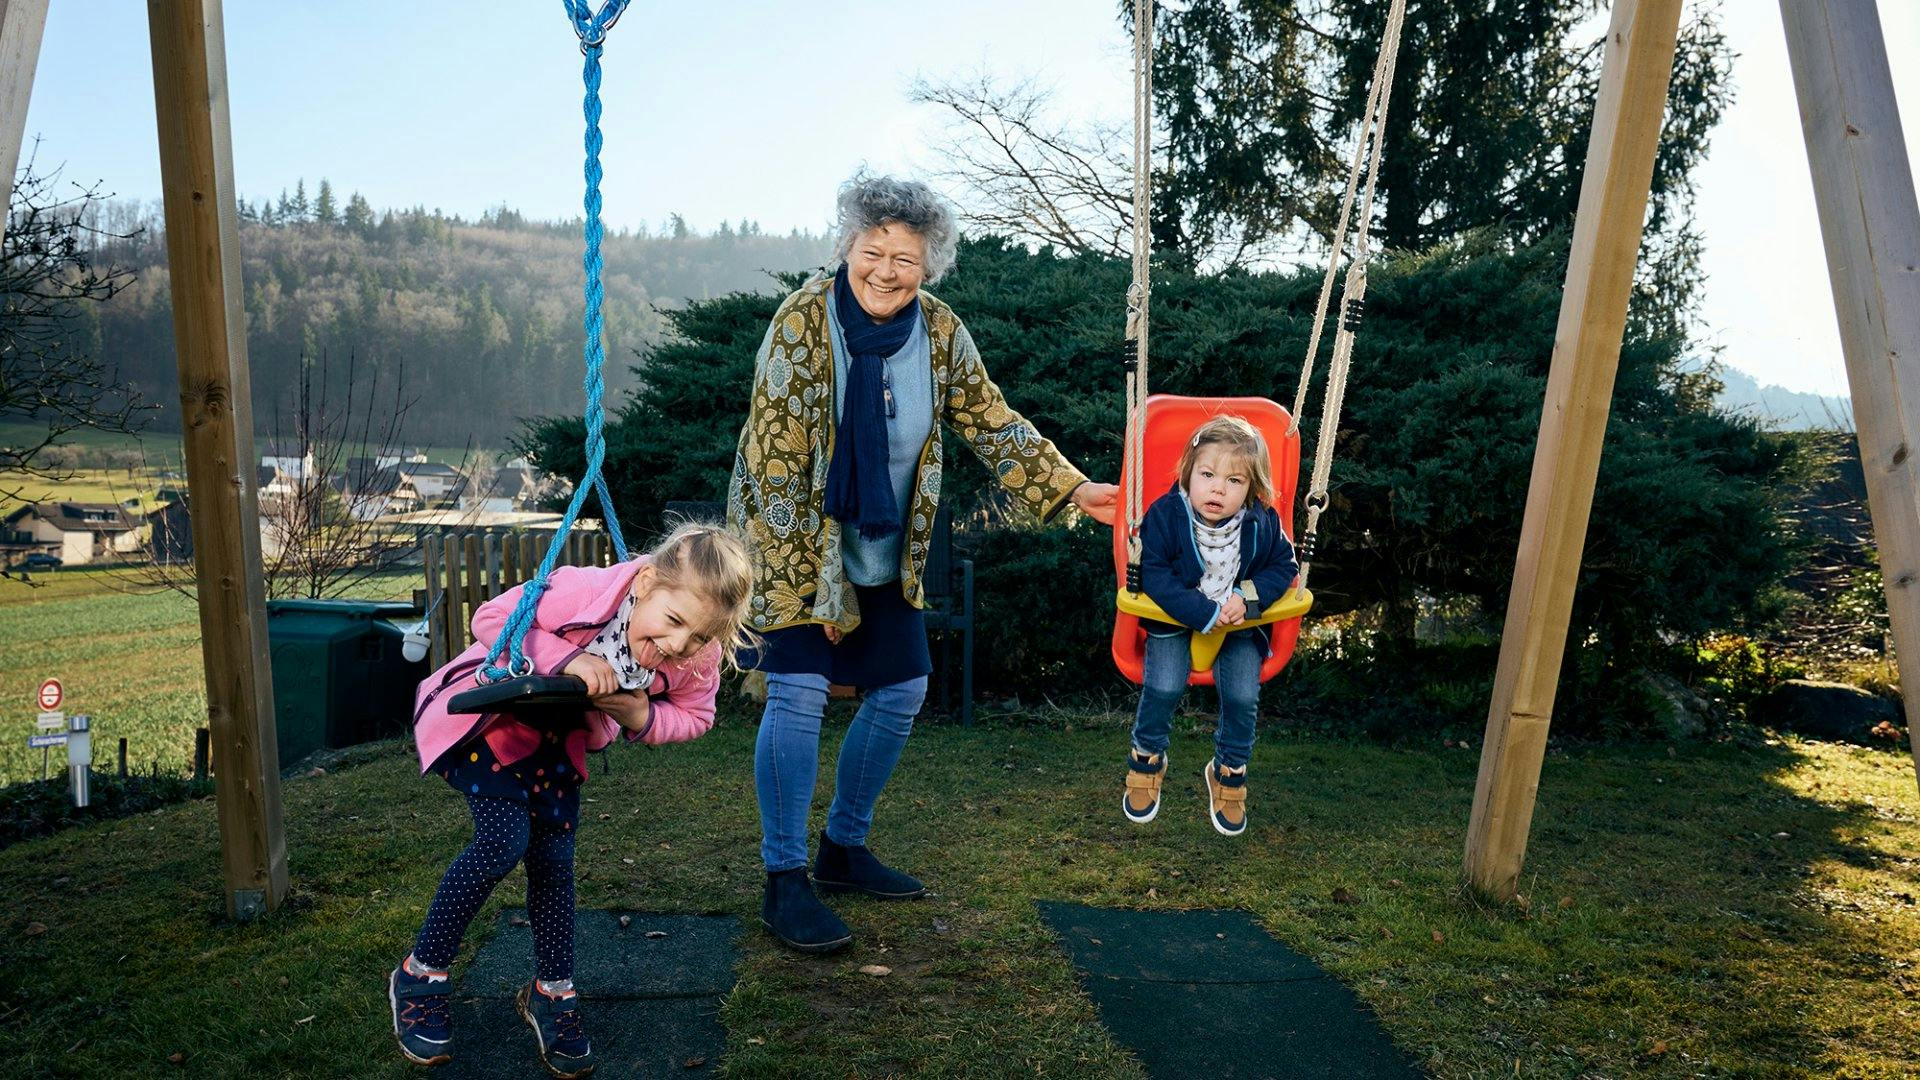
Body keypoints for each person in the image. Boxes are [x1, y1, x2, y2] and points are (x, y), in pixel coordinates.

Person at [727, 174, 1118, 953]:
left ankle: (842, 848)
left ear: (928, 265)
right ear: (847, 248)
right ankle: (783, 881)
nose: (886, 270)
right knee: (799, 692)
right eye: (873, 251)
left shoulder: (938, 331)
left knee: (903, 688)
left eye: (906, 258)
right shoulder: (802, 322)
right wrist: (820, 596)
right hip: (791, 537)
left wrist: (1074, 489)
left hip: (886, 544)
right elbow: (775, 464)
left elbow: (991, 419)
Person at [389, 523, 754, 1077]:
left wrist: (643, 716)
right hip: (495, 721)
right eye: (674, 622)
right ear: (646, 583)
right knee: (501, 842)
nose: (679, 646)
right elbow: (492, 619)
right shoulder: (586, 589)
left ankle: (552, 992)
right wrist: (565, 660)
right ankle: (421, 973)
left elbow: (697, 716)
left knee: (555, 866)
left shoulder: (692, 659)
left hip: (560, 745)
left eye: (700, 638)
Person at [1122, 415, 1298, 837]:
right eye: (1207, 474)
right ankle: (1148, 756)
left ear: (1251, 489)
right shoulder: (1165, 515)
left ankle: (1228, 768)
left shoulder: (1262, 521)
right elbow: (1155, 573)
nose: (1218, 488)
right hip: (1176, 621)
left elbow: (1283, 566)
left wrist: (1248, 599)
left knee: (1242, 695)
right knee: (1163, 685)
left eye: (1234, 481)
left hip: (1238, 627)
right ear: (1189, 473)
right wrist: (1201, 611)